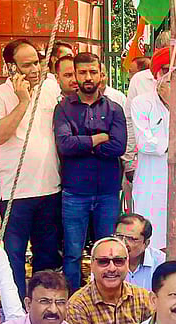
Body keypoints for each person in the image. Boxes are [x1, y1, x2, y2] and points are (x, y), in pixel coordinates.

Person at [0, 39, 64, 298]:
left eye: (38, 62)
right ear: (11, 68)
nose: (34, 69)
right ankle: (15, 309)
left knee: (47, 256)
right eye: (26, 65)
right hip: (14, 194)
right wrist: (22, 101)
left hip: (49, 188)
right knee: (14, 259)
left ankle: (44, 305)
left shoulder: (51, 88)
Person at [54, 51, 128, 291]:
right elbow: (64, 145)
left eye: (92, 72)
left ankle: (106, 296)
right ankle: (73, 303)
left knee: (108, 252)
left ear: (101, 74)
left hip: (107, 192)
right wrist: (98, 139)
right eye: (83, 72)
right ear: (75, 75)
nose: (88, 77)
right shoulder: (64, 109)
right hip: (75, 193)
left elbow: (118, 146)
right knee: (73, 254)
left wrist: (82, 143)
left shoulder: (115, 109)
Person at [129, 48, 176, 266]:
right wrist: (175, 143)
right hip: (152, 183)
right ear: (155, 74)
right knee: (151, 248)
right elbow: (146, 143)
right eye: (166, 70)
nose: (172, 76)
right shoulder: (141, 103)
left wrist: (173, 104)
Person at [67, 237, 154, 324]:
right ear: (92, 265)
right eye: (103, 262)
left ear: (127, 263)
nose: (112, 268)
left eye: (118, 261)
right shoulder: (78, 305)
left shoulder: (143, 298)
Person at [116, 213, 165, 289]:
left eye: (131, 239)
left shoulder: (160, 263)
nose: (123, 243)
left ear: (146, 243)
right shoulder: (104, 260)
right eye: (119, 236)